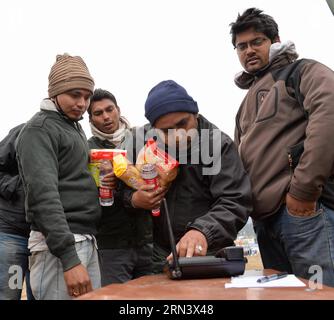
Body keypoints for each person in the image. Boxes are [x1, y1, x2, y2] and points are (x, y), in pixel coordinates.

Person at [230, 8, 334, 286]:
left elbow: (329, 117)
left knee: (317, 292)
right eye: (242, 46)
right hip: (265, 223)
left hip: (303, 214)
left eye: (257, 42)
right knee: (285, 294)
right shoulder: (245, 102)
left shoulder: (303, 71)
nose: (249, 50)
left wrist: (302, 191)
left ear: (275, 40)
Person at [124, 80, 252, 273]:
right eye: (167, 131)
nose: (178, 136)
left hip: (208, 251)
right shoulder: (140, 143)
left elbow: (234, 200)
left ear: (196, 114)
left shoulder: (217, 145)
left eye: (183, 124)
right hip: (156, 254)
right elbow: (120, 187)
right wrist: (133, 199)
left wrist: (203, 231)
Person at [16, 53, 101, 299]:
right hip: (60, 247)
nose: (82, 103)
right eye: (75, 95)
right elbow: (43, 197)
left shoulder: (72, 127)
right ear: (55, 92)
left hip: (85, 239)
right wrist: (70, 259)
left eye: (87, 96)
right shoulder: (40, 129)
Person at [87, 88, 153, 285]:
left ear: (118, 109)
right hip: (111, 245)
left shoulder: (142, 139)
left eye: (110, 109)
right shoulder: (87, 149)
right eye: (98, 113)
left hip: (148, 241)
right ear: (90, 120)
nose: (106, 117)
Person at [0, 124, 34, 300]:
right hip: (13, 235)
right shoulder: (24, 131)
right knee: (9, 294)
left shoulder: (70, 137)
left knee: (38, 295)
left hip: (45, 240)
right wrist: (15, 187)